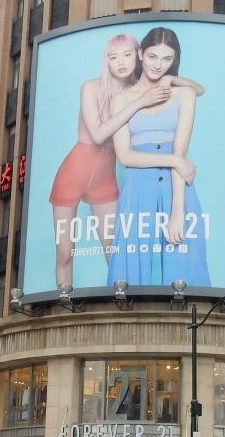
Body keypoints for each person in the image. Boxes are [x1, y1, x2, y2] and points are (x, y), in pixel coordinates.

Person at [49, 32, 203, 287]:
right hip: (75, 170)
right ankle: (63, 303)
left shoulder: (148, 85)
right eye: (113, 56)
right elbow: (100, 136)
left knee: (116, 254)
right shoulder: (93, 88)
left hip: (106, 176)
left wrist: (171, 79)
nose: (120, 62)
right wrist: (140, 102)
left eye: (127, 54)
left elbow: (199, 90)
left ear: (136, 56)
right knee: (65, 252)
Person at [107, 27, 209, 286]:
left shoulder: (184, 94)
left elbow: (180, 151)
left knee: (185, 262)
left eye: (167, 59)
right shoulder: (122, 100)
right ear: (141, 53)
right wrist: (174, 161)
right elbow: (124, 156)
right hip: (137, 186)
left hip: (177, 187)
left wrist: (178, 211)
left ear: (174, 60)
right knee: (127, 266)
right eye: (152, 56)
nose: (158, 65)